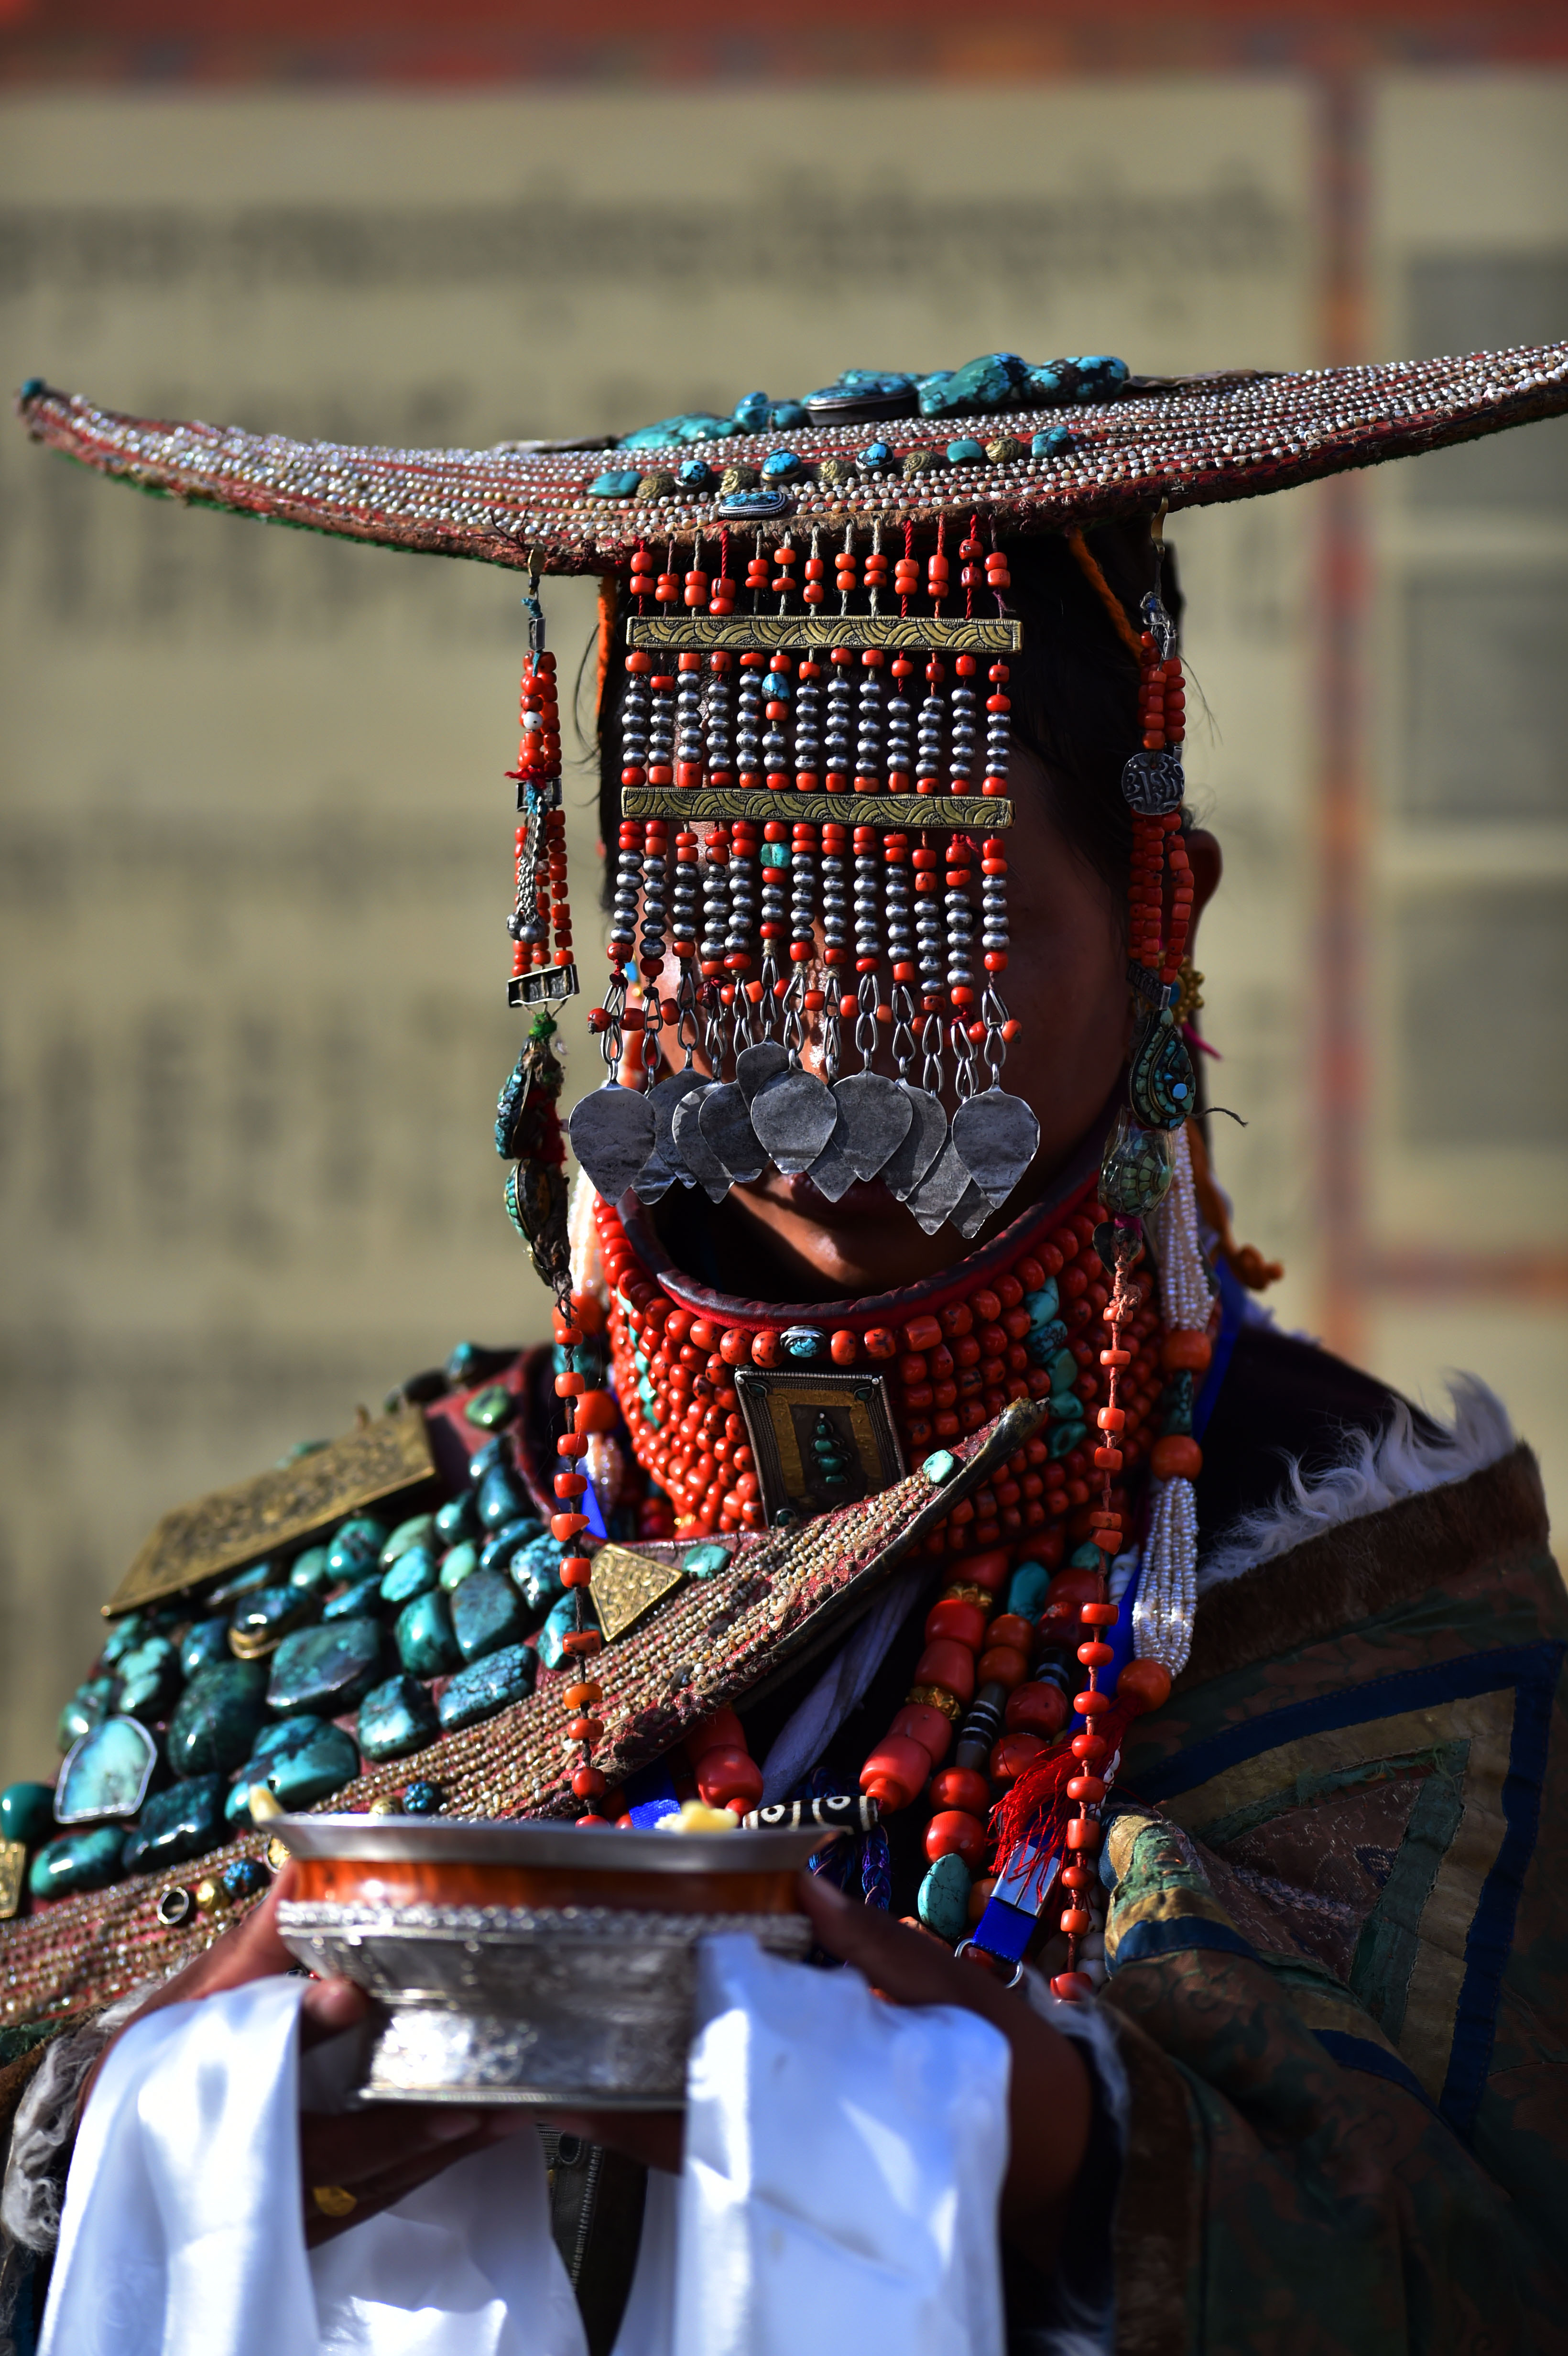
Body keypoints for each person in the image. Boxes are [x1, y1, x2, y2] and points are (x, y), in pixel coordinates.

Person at [2, 349, 1565, 2354]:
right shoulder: (348, 1563)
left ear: (1161, 901)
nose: (814, 1052)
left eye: (921, 918)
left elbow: (1472, 2251)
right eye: (717, 914)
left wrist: (1036, 2124)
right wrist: (166, 2111)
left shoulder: (1348, 1565)